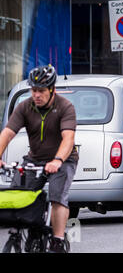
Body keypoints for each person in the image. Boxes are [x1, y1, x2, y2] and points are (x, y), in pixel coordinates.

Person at [0, 65, 78, 253]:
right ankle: (22, 230)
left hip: (63, 160)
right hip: (34, 159)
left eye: (41, 91)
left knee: (58, 197)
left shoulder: (65, 107)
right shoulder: (24, 107)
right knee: (18, 192)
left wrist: (58, 160)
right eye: (33, 90)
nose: (36, 95)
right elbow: (7, 134)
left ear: (52, 90)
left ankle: (58, 240)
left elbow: (68, 139)